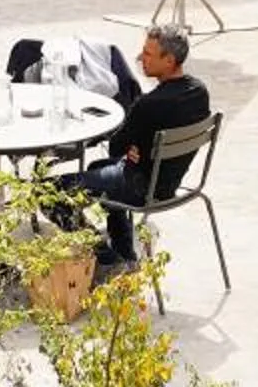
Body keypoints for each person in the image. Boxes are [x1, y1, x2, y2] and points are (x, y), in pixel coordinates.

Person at [58, 25, 211, 271]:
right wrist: (136, 149)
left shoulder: (148, 105)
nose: (140, 59)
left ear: (169, 60)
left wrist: (131, 149)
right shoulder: (199, 92)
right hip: (167, 183)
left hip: (140, 187)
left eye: (148, 54)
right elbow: (123, 151)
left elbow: (116, 147)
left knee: (53, 192)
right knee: (97, 168)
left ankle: (105, 257)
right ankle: (124, 250)